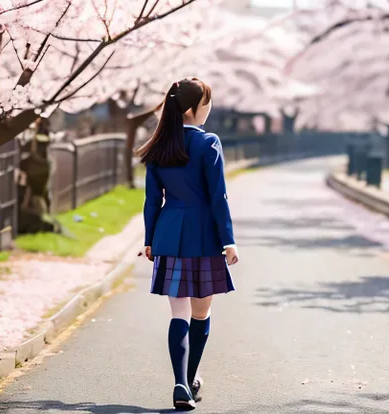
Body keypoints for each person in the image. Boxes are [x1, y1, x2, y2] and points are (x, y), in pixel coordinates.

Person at [136, 77, 239, 411]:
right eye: (207, 103)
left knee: (178, 312)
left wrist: (150, 239)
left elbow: (152, 200)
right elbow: (217, 197)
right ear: (195, 109)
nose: (209, 109)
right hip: (205, 236)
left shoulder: (160, 146)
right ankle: (188, 379)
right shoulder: (208, 143)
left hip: (169, 233)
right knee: (201, 311)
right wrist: (229, 241)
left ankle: (182, 381)